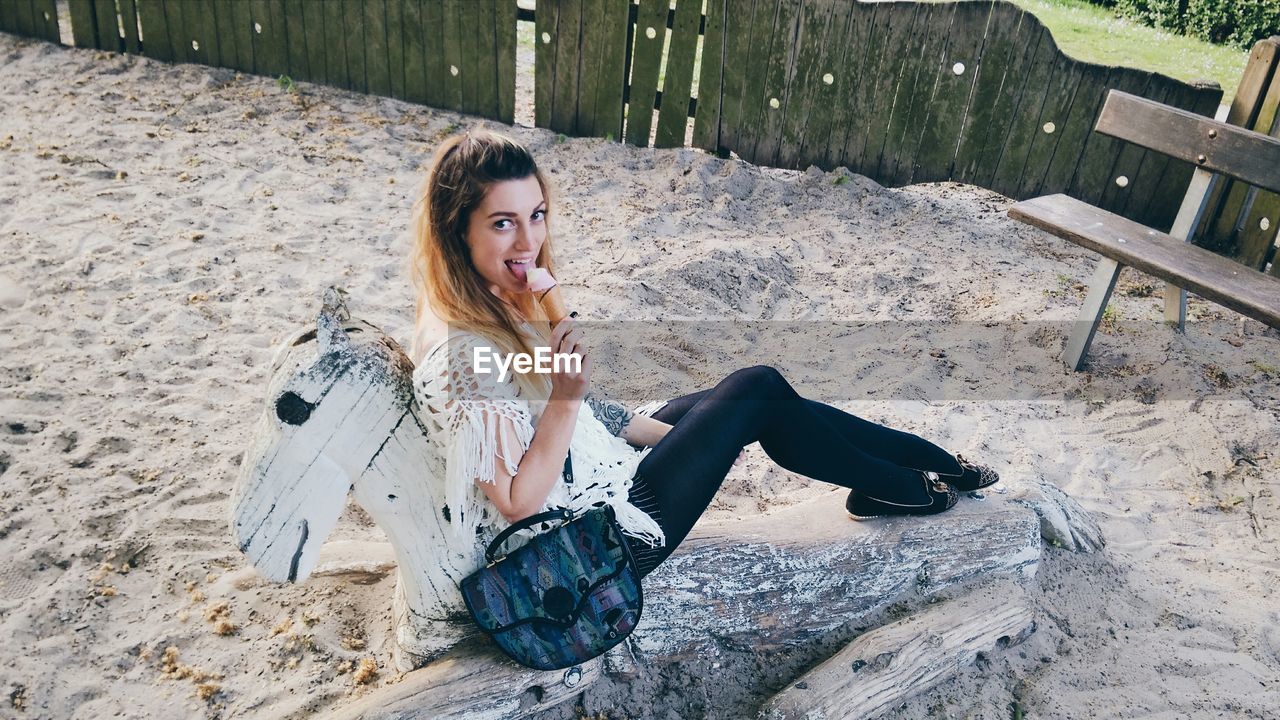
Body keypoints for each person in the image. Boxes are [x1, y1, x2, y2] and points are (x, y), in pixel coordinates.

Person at [408, 128, 999, 579]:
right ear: (457, 230)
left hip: (595, 468)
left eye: (535, 215)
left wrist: (681, 438)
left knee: (751, 402)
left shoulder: (493, 300)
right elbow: (517, 504)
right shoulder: (464, 351)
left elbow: (589, 414)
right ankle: (908, 483)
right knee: (755, 388)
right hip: (586, 547)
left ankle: (919, 471)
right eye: (503, 223)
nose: (530, 240)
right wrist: (567, 398)